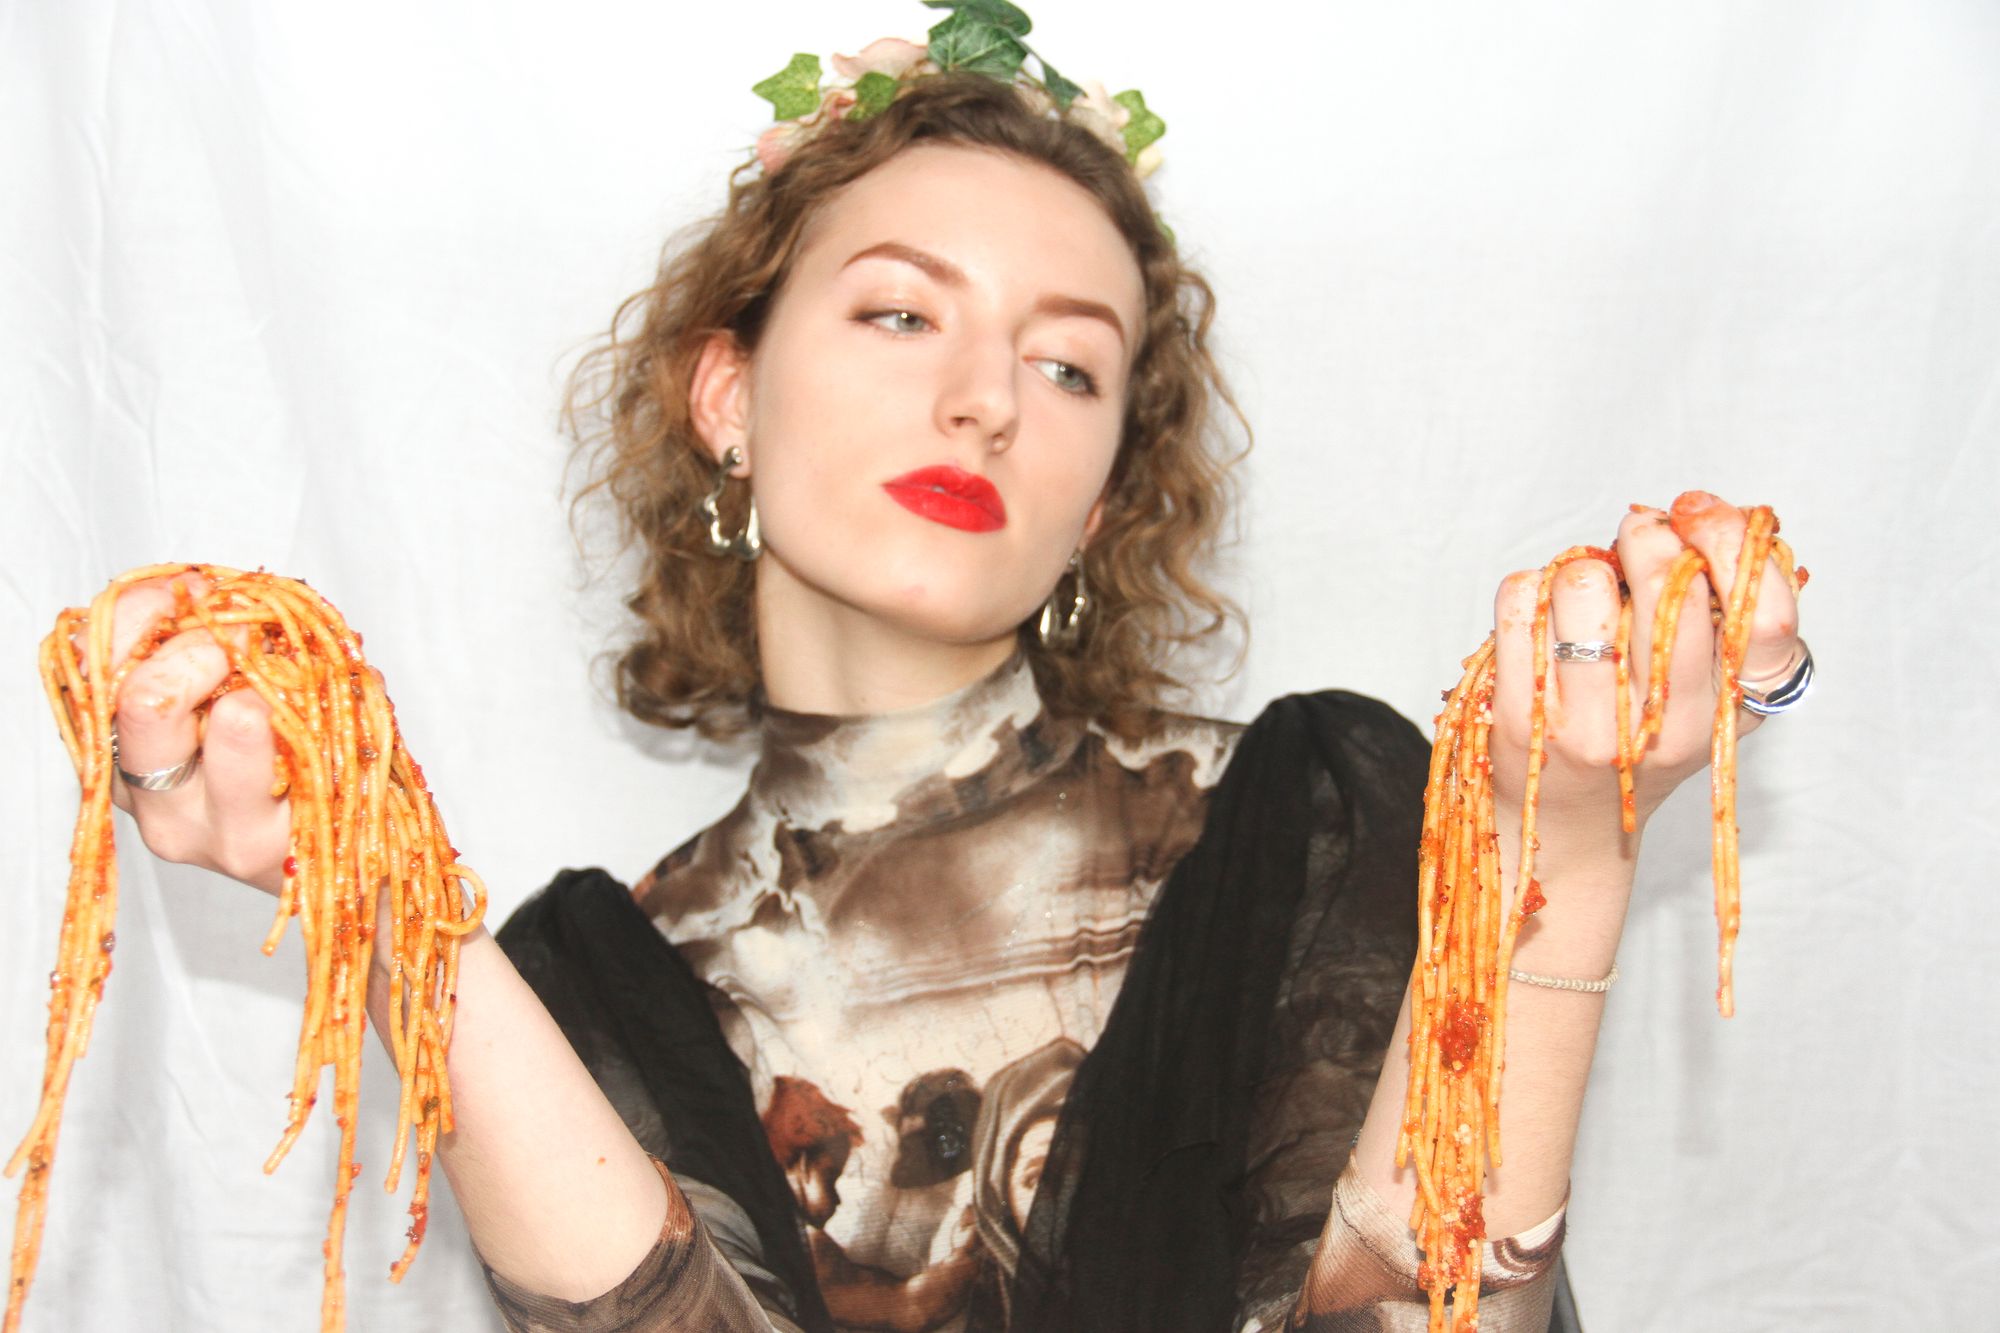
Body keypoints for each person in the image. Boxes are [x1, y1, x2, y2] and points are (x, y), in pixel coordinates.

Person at [86, 26, 1809, 1333]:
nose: (987, 396)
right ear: (727, 398)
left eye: (1069, 366)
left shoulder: (1314, 814)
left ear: (1104, 496)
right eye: (903, 315)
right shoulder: (588, 976)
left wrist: (1557, 860)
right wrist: (385, 905)